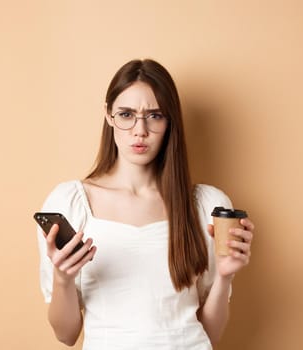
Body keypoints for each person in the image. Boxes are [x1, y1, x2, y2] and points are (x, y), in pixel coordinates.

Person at [37, 58, 255, 349]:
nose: (140, 131)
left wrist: (225, 277)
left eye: (154, 116)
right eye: (126, 114)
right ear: (108, 115)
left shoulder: (206, 206)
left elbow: (210, 335)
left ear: (170, 121)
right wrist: (63, 279)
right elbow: (66, 335)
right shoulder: (71, 203)